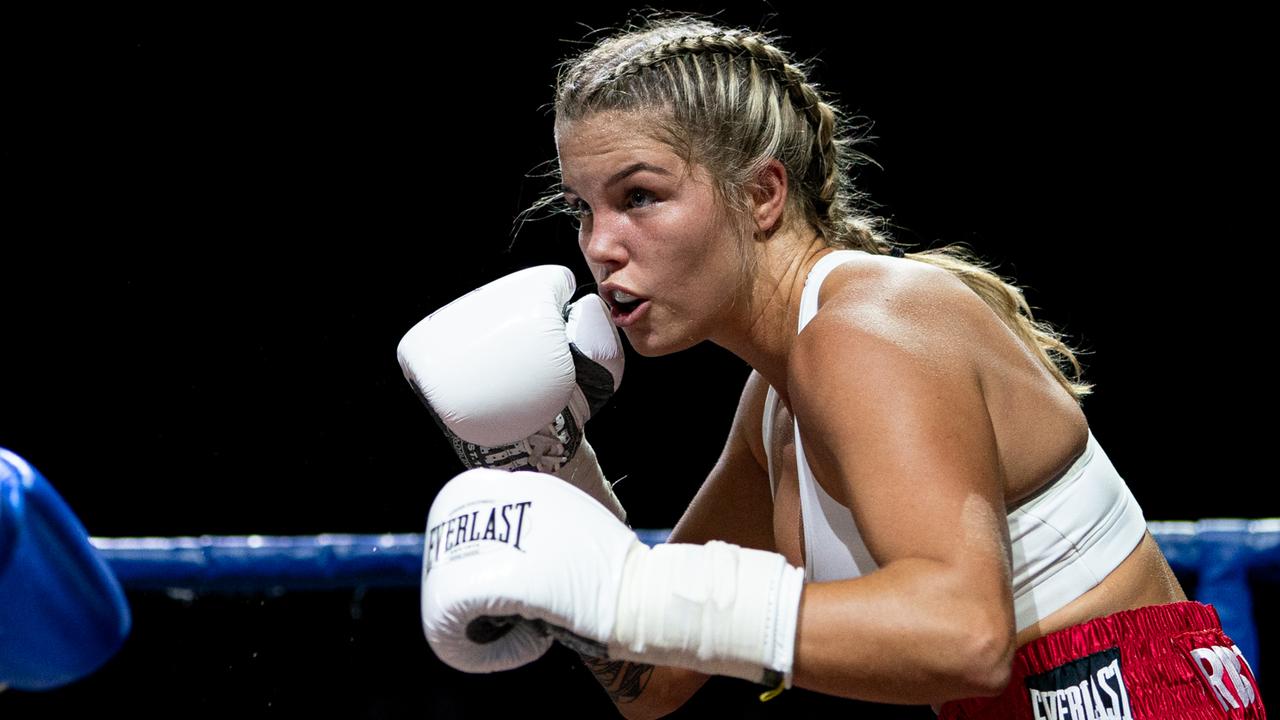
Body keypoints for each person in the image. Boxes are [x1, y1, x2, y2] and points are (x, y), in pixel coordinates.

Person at [402, 13, 1267, 720]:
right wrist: (550, 465)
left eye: (640, 197)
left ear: (761, 194)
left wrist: (636, 589)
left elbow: (963, 636)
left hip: (1132, 699)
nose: (599, 246)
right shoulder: (774, 403)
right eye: (584, 209)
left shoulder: (867, 328)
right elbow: (653, 680)